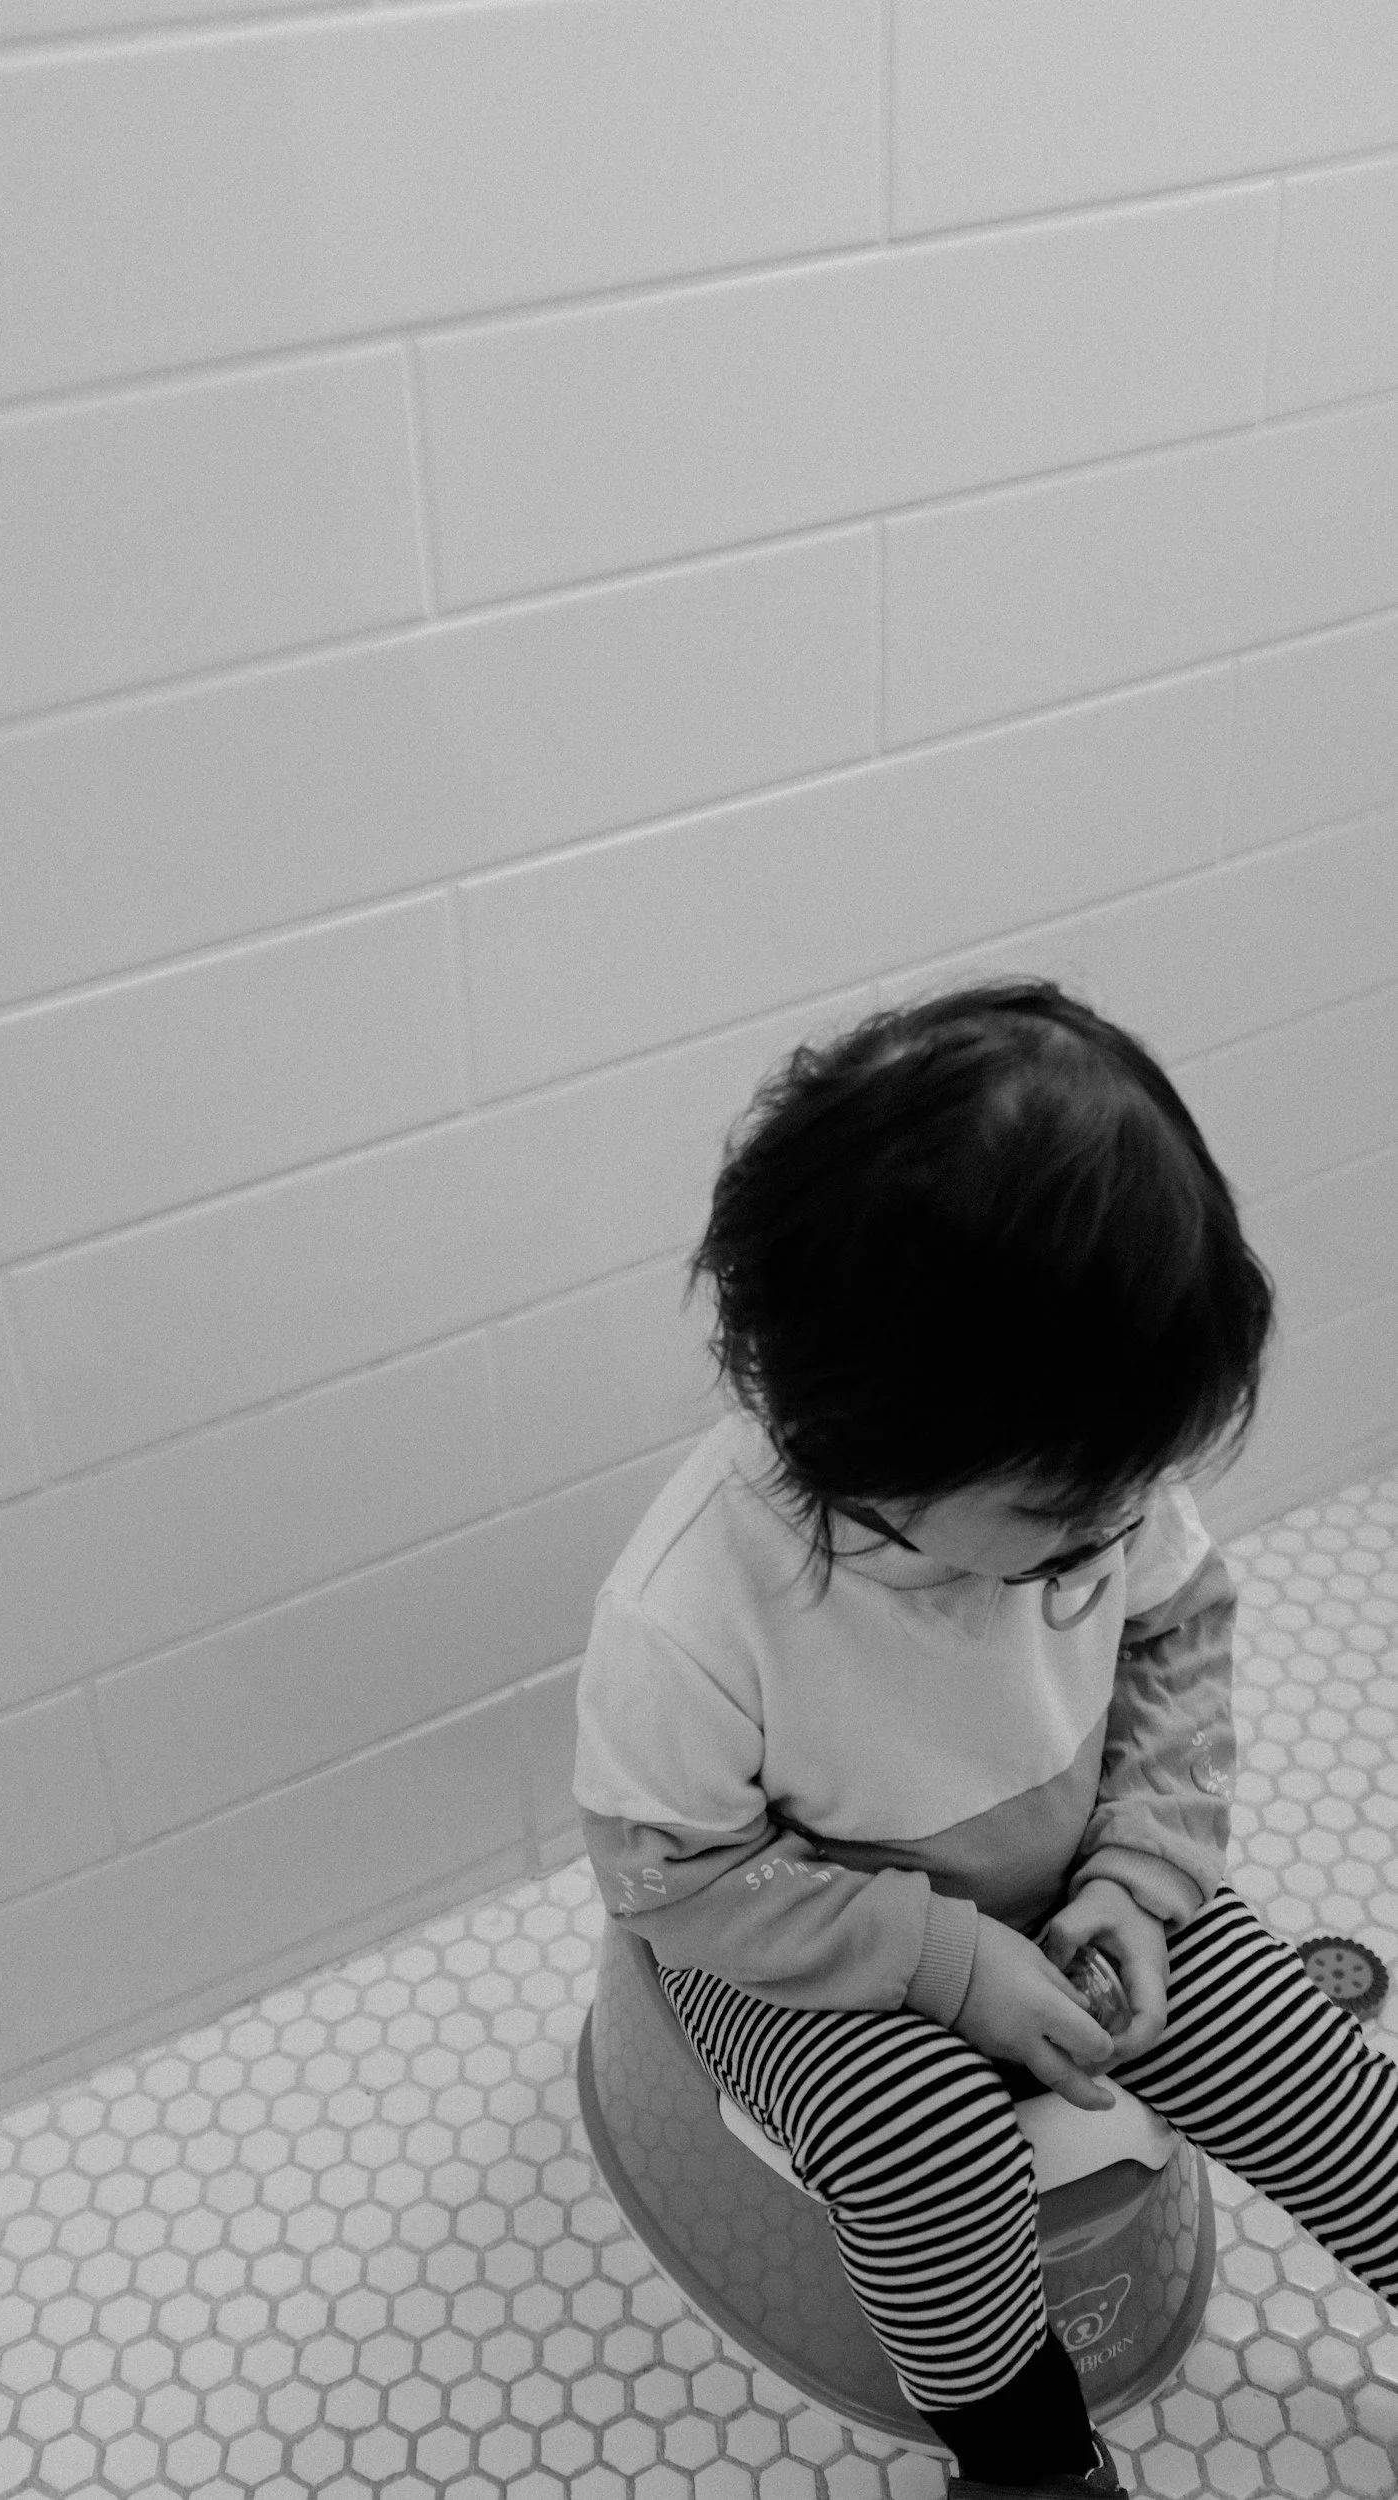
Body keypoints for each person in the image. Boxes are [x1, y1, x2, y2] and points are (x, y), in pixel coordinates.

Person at [573, 977, 1398, 2498]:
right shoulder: (688, 1614)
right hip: (797, 1954)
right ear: (862, 1439)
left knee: (1294, 2057)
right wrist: (943, 1964)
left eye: (1125, 1494)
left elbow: (1177, 1634)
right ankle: (1019, 2459)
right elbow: (674, 1886)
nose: (1109, 1533)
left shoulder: (1094, 1478)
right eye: (1058, 1516)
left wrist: (1142, 1872)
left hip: (1066, 1879)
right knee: (925, 2139)